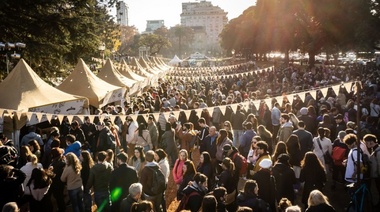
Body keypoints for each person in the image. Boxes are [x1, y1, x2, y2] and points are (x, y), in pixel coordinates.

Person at [49, 147, 66, 212]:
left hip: (55, 182)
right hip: (61, 181)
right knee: (60, 196)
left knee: (58, 197)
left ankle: (61, 208)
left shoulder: (53, 164)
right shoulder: (62, 161)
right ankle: (62, 208)